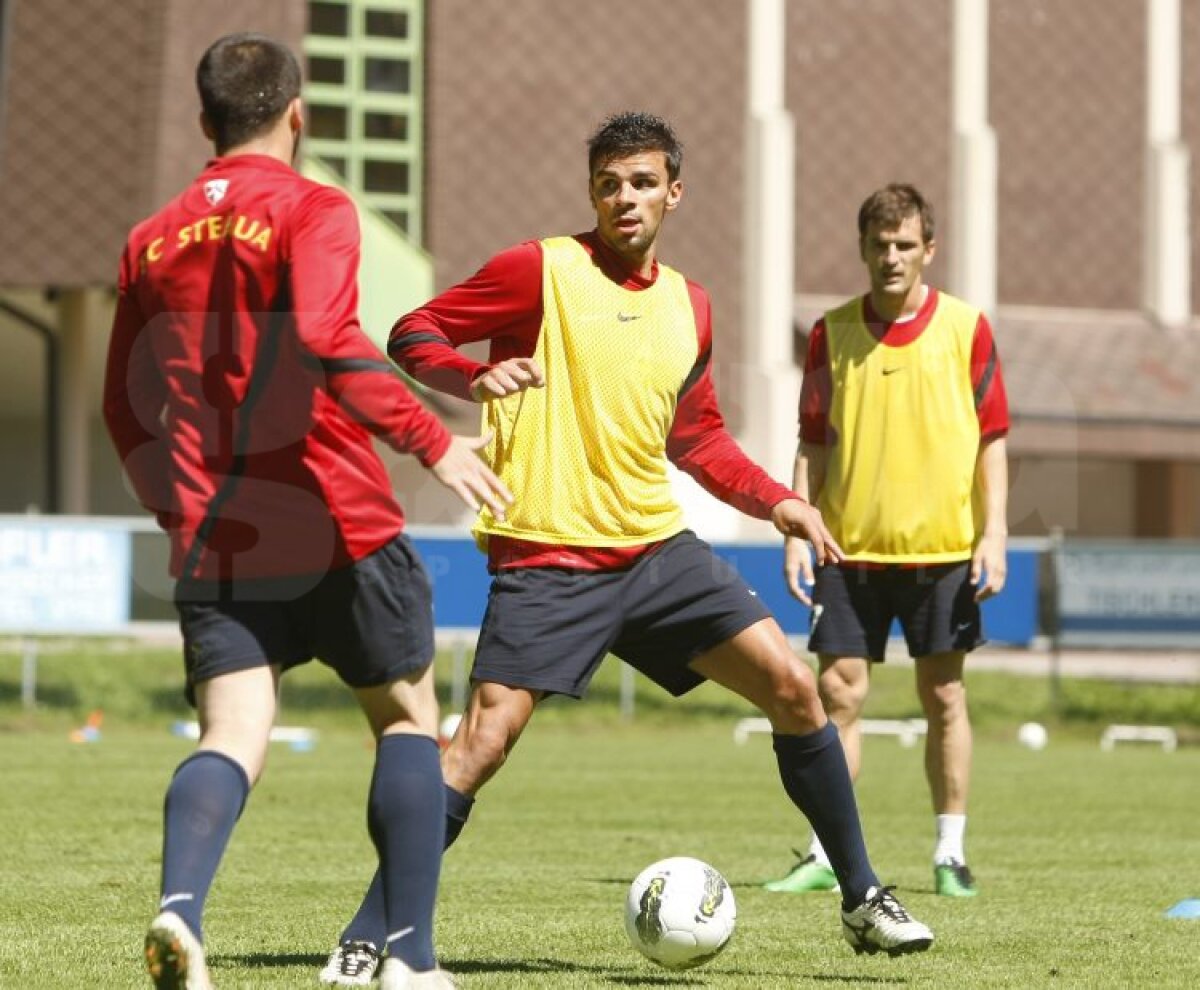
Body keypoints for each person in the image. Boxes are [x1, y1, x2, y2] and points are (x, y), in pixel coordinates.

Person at [317, 112, 933, 986]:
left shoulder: (691, 306)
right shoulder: (538, 269)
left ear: (673, 192)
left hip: (655, 554)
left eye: (642, 183)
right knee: (480, 745)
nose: (624, 198)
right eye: (608, 184)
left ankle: (863, 897)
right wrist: (472, 375)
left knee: (796, 690)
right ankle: (369, 930)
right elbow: (413, 333)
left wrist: (781, 501)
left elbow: (699, 439)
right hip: (549, 555)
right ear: (592, 194)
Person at [102, 33, 510, 990]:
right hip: (337, 516)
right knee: (407, 721)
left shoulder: (148, 239)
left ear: (204, 122)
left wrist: (174, 505)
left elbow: (124, 404)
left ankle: (179, 911)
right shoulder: (314, 208)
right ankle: (409, 959)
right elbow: (328, 336)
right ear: (298, 114)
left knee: (232, 733)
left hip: (218, 532)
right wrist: (434, 440)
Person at [763, 183, 1009, 900]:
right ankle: (824, 854)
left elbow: (992, 439)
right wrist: (796, 528)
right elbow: (812, 442)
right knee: (836, 694)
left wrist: (994, 532)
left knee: (944, 696)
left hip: (943, 551)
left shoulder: (967, 328)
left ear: (929, 249)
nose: (892, 257)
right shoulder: (830, 332)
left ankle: (950, 853)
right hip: (847, 551)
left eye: (905, 244)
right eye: (880, 245)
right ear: (863, 250)